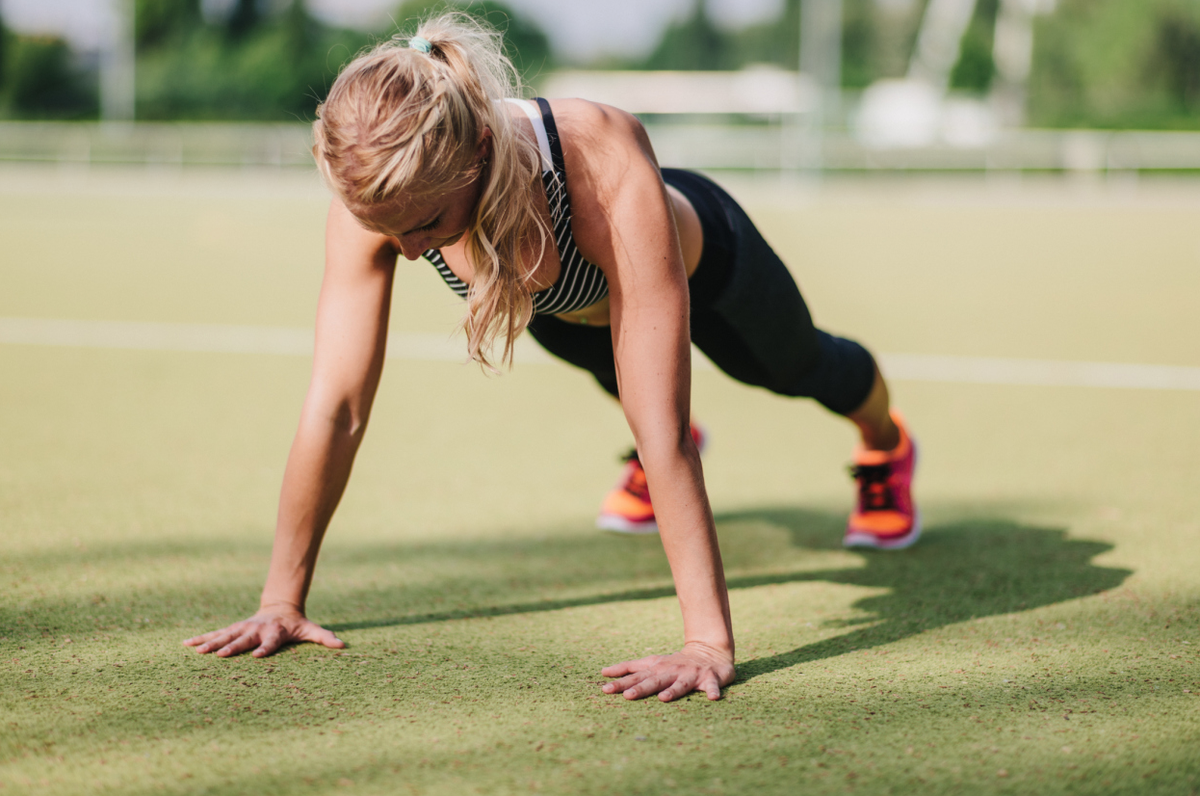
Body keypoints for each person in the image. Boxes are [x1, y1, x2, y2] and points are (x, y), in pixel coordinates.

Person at [183, 13, 918, 703]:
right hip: (562, 312)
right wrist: (281, 600)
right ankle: (656, 466)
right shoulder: (380, 195)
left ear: (475, 154)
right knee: (626, 392)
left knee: (795, 372)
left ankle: (887, 446)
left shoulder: (597, 151)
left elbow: (660, 422)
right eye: (388, 229)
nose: (406, 251)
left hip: (711, 270)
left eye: (426, 226)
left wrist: (706, 645)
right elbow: (338, 405)